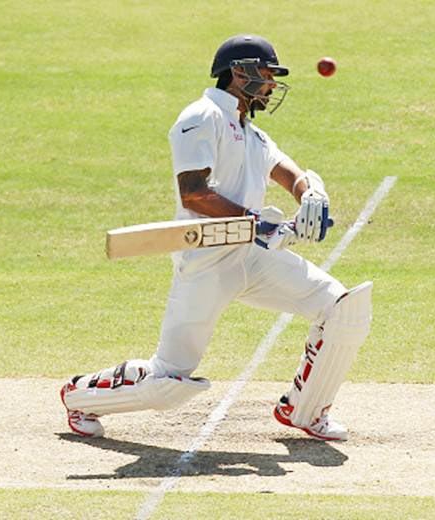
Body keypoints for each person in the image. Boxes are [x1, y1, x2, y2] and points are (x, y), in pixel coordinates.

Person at [60, 35, 372, 441]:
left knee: (342, 309)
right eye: (266, 74)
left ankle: (305, 411)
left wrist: (310, 193)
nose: (272, 85)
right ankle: (79, 396)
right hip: (207, 260)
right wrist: (259, 222)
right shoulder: (201, 115)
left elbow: (288, 173)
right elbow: (194, 192)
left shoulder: (253, 133)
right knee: (169, 382)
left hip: (254, 257)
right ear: (238, 72)